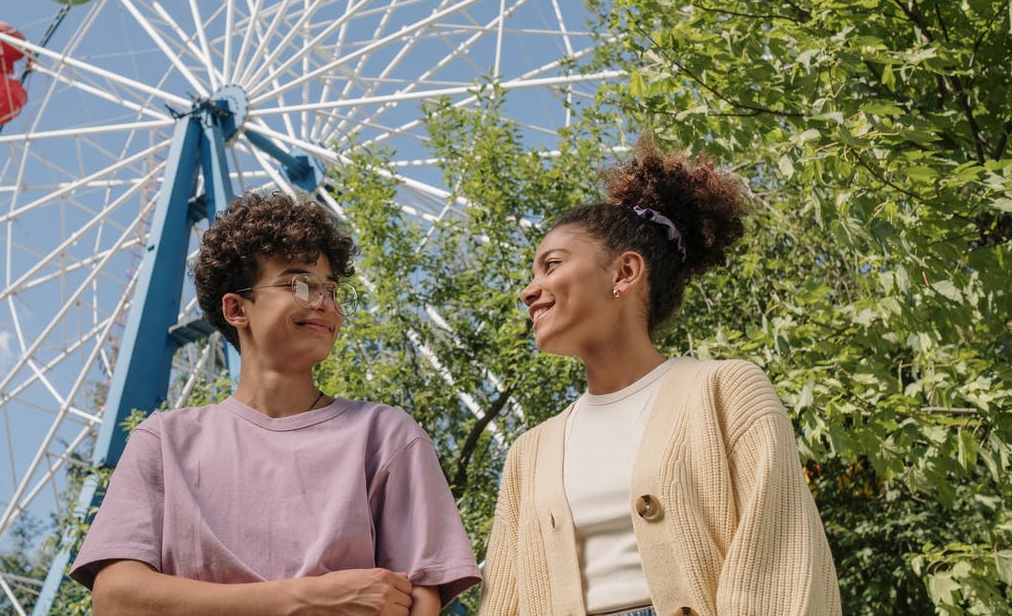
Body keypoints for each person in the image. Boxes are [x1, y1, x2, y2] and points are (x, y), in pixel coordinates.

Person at [70, 190, 480, 615]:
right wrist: (304, 599)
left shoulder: (387, 436)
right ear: (236, 309)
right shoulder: (164, 441)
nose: (325, 303)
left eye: (333, 291)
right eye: (299, 284)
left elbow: (420, 599)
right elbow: (116, 598)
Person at [479, 139, 841, 616]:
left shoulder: (726, 392)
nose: (529, 291)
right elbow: (504, 602)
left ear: (625, 272)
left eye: (552, 264)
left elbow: (780, 562)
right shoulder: (529, 452)